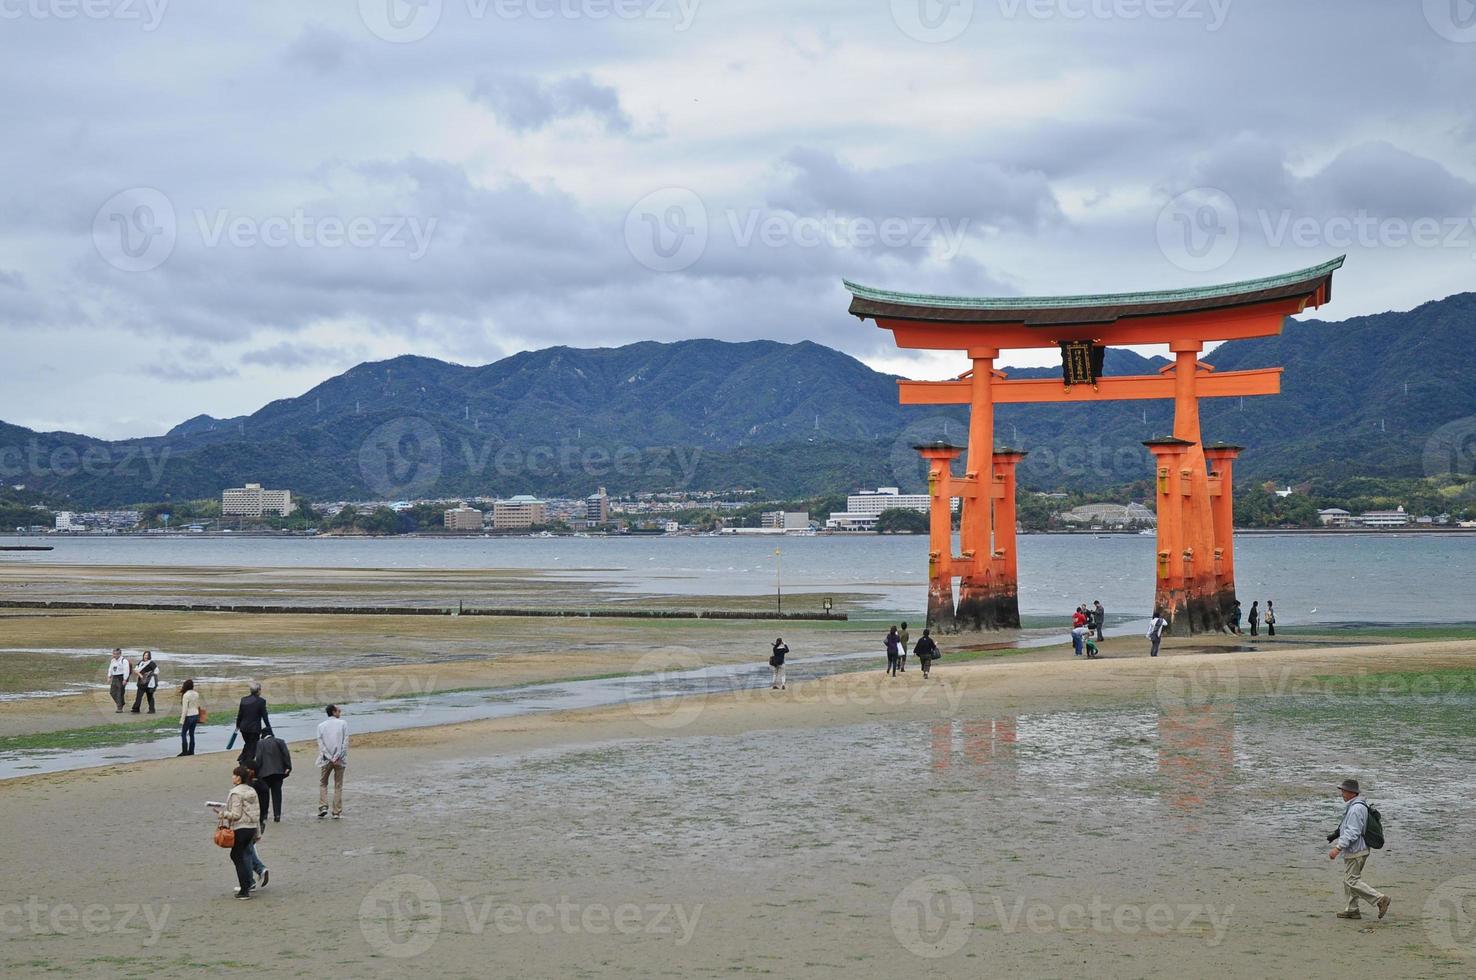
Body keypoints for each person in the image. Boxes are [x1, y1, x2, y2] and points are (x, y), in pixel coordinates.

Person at [1328, 778, 1390, 920]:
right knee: (1350, 880)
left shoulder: (1356, 808)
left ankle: (1380, 899)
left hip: (1356, 850)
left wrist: (1337, 848)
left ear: (1351, 792)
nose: (1342, 794)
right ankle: (1352, 910)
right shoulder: (1357, 805)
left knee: (1351, 881)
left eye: (1343, 791)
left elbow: (1353, 832)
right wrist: (1336, 834)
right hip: (1357, 849)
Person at [213, 764, 261, 900]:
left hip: (240, 828)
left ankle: (244, 890)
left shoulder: (236, 792)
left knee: (237, 856)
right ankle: (247, 885)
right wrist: (257, 833)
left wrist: (223, 814)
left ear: (239, 778)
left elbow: (236, 814)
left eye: (234, 775)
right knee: (243, 855)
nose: (232, 777)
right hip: (251, 827)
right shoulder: (252, 791)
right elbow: (256, 813)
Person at [252, 728, 292, 822]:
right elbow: (286, 755)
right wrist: (288, 767)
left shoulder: (260, 743)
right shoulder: (280, 741)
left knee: (264, 795)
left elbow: (259, 759)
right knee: (277, 793)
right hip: (278, 772)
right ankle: (277, 815)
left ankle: (264, 815)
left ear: (263, 735)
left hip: (264, 773)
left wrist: (256, 772)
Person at [316, 704, 348, 819]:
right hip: (339, 759)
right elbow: (345, 743)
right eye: (339, 710)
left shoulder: (321, 726)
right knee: (338, 785)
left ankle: (323, 806)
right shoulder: (343, 723)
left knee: (323, 783)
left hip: (326, 759)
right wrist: (337, 756)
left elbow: (321, 745)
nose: (340, 712)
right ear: (334, 712)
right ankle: (336, 811)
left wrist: (329, 756)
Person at [234, 681, 271, 764]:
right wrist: (269, 728)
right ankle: (247, 763)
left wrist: (237, 726)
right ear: (258, 690)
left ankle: (242, 758)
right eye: (260, 690)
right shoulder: (261, 701)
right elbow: (264, 716)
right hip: (254, 728)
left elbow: (240, 714)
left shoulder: (244, 699)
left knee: (248, 744)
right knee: (253, 747)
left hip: (243, 727)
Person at [178, 678, 202, 756]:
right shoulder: (196, 693)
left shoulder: (186, 695)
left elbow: (184, 709)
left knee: (183, 733)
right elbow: (198, 705)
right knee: (192, 734)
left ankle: (184, 751)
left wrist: (182, 720)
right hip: (195, 714)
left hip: (188, 715)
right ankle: (191, 751)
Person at [107, 648, 131, 713]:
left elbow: (126, 670)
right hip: (114, 677)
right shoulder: (112, 660)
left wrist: (125, 679)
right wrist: (109, 676)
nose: (114, 655)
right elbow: (110, 669)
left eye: (116, 654)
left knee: (119, 693)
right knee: (112, 692)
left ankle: (119, 708)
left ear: (120, 654)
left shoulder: (124, 661)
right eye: (113, 654)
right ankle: (121, 703)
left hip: (121, 677)